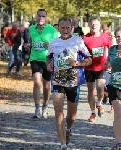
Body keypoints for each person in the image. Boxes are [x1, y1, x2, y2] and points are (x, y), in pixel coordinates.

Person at [47, 17, 92, 150]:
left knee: (71, 116)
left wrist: (77, 63)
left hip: (74, 81)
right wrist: (49, 64)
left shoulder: (78, 41)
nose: (65, 30)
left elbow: (89, 60)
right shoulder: (53, 42)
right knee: (58, 111)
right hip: (57, 80)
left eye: (68, 27)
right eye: (62, 27)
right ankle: (63, 144)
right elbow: (48, 57)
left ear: (72, 28)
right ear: (58, 28)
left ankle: (68, 128)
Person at [28, 9, 58, 118]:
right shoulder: (31, 29)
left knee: (46, 85)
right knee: (37, 82)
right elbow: (30, 42)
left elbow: (57, 45)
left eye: (43, 16)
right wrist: (28, 45)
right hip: (35, 59)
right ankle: (37, 108)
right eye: (39, 16)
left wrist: (49, 45)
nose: (41, 18)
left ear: (46, 18)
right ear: (36, 17)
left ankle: (45, 106)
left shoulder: (52, 30)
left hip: (47, 60)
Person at [83, 16, 111, 122]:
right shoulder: (85, 38)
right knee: (91, 91)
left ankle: (99, 103)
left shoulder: (105, 37)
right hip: (89, 68)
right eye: (92, 24)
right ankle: (93, 112)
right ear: (89, 25)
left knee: (100, 88)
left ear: (100, 25)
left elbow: (111, 49)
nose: (94, 26)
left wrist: (109, 61)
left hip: (101, 67)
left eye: (96, 24)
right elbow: (80, 51)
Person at [105, 26, 121, 150]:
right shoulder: (112, 49)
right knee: (118, 114)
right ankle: (119, 143)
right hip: (114, 85)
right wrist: (107, 65)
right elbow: (108, 62)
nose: (120, 39)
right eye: (118, 36)